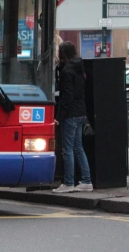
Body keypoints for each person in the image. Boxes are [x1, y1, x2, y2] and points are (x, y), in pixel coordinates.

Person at [53, 41, 93, 193]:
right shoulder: (80, 68)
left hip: (70, 115)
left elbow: (67, 96)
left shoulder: (66, 72)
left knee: (67, 149)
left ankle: (68, 182)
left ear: (63, 53)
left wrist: (59, 116)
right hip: (81, 112)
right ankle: (86, 180)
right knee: (78, 147)